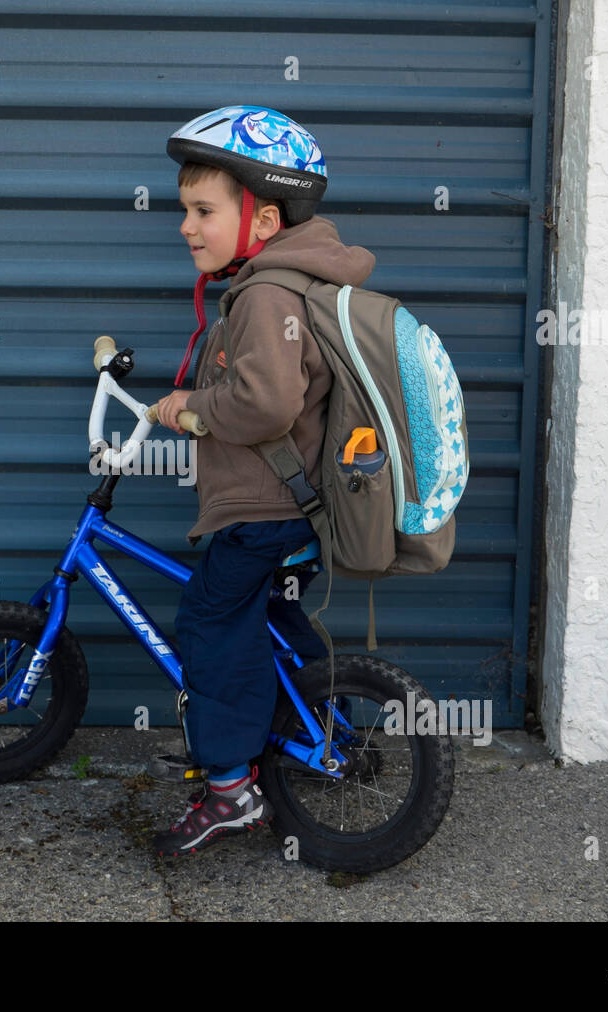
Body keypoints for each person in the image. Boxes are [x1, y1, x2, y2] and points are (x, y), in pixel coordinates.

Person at [151, 106, 377, 856]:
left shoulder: (264, 295)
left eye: (203, 210)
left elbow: (267, 402)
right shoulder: (287, 284)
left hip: (262, 512)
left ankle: (228, 789)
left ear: (264, 215)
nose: (186, 225)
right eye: (185, 209)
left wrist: (190, 410)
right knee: (274, 621)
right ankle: (330, 728)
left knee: (211, 624)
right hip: (297, 509)